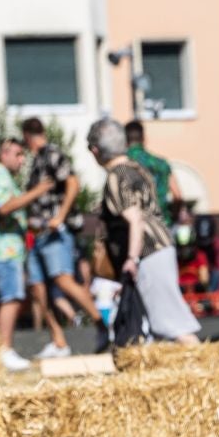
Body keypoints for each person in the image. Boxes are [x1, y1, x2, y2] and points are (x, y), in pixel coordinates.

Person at [87, 118, 200, 345]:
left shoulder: (116, 176)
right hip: (161, 243)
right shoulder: (136, 168)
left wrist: (131, 258)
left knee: (169, 324)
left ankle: (205, 366)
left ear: (95, 150)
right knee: (159, 323)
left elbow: (135, 218)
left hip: (148, 250)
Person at [20, 118, 103, 357]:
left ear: (27, 136)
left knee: (63, 280)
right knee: (38, 288)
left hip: (55, 231)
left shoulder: (52, 154)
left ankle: (102, 324)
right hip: (38, 234)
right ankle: (58, 341)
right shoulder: (36, 160)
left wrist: (61, 216)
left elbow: (73, 183)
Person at [0, 139, 55, 371]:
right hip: (3, 250)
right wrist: (37, 192)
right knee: (11, 298)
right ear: (4, 153)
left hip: (3, 249)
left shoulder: (0, 176)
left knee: (0, 302)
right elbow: (4, 207)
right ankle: (6, 349)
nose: (22, 160)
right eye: (18, 154)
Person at [125, 120, 181, 225]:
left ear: (125, 141)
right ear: (144, 139)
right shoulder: (162, 164)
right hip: (161, 223)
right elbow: (177, 195)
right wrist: (173, 217)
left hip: (132, 227)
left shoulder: (122, 164)